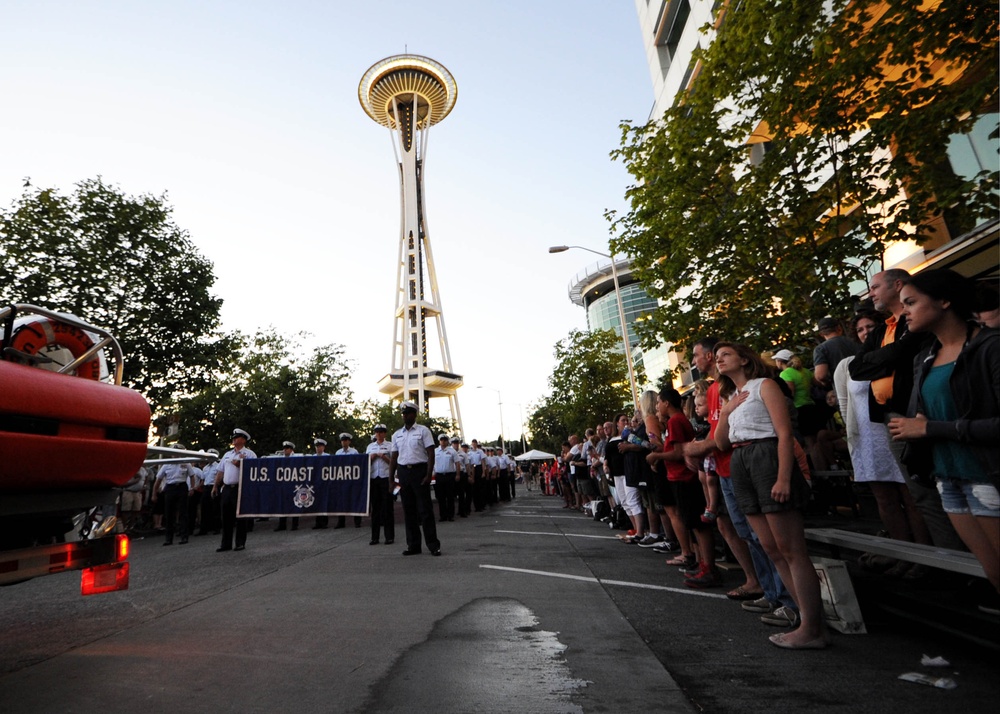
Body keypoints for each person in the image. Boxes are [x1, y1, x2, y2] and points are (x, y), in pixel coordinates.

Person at [888, 269, 1000, 600]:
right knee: (993, 574)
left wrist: (928, 427)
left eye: (911, 302)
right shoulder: (926, 357)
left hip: (988, 477)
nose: (904, 311)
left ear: (945, 301)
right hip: (949, 480)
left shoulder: (990, 346)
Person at [714, 343, 826, 649]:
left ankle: (813, 627)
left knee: (791, 548)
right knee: (770, 547)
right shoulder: (731, 398)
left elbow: (785, 433)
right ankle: (804, 617)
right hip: (740, 460)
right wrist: (725, 412)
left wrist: (783, 477)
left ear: (744, 358)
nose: (719, 359)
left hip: (767, 456)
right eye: (716, 357)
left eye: (725, 354)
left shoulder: (765, 385)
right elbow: (721, 442)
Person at [849, 269, 963, 551]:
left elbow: (904, 353)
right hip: (891, 419)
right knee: (921, 492)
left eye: (875, 286)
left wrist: (887, 357)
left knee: (951, 486)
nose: (870, 293)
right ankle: (949, 562)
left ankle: (966, 562)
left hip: (919, 413)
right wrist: (891, 356)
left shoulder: (917, 325)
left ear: (897, 285)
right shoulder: (880, 330)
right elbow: (857, 368)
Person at [683, 337, 786, 609]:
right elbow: (720, 433)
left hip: (746, 467)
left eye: (696, 355)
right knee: (749, 534)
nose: (695, 361)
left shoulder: (745, 388)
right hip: (731, 468)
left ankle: (781, 596)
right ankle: (767, 589)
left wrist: (693, 449)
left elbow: (724, 440)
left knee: (767, 540)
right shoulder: (725, 389)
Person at [834, 311, 931, 575]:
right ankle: (901, 554)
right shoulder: (846, 365)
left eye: (870, 327)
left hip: (893, 429)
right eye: (861, 329)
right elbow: (844, 403)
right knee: (884, 498)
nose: (865, 332)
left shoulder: (898, 353)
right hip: (865, 437)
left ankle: (924, 557)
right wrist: (851, 435)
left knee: (910, 495)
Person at [389, 401, 440, 556]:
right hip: (404, 472)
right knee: (408, 511)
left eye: (408, 413)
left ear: (414, 414)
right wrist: (391, 480)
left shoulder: (423, 431)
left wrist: (428, 474)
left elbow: (430, 453)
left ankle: (433, 545)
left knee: (425, 511)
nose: (405, 416)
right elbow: (394, 457)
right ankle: (413, 545)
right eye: (403, 414)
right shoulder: (397, 434)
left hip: (419, 471)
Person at [214, 429, 256, 552]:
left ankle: (240, 543)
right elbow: (220, 471)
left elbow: (253, 471)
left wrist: (241, 463)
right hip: (227, 488)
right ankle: (226, 544)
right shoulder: (227, 454)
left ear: (243, 440)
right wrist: (215, 485)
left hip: (240, 487)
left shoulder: (250, 454)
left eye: (236, 437)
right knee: (226, 517)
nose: (233, 439)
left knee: (240, 517)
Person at [772, 349, 822, 446]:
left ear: (780, 361)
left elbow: (790, 394)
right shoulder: (806, 371)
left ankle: (817, 460)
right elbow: (818, 384)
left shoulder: (785, 374)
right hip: (811, 405)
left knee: (809, 442)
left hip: (799, 409)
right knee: (817, 440)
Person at [153, 444, 197, 546]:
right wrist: (154, 493)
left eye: (177, 452)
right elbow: (158, 480)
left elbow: (192, 476)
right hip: (170, 488)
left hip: (181, 487)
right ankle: (169, 538)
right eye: (173, 453)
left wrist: (192, 488)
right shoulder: (166, 464)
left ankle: (184, 536)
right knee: (169, 514)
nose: (175, 455)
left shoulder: (186, 463)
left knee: (183, 513)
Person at [813, 316, 863, 389]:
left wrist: (827, 382)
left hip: (842, 388)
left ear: (821, 334)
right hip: (864, 381)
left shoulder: (821, 349)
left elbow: (821, 375)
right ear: (839, 328)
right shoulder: (855, 341)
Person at [366, 425, 394, 545]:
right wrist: (371, 458)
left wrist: (384, 457)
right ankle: (375, 537)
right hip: (374, 478)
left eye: (381, 432)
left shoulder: (390, 445)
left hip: (385, 477)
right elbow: (365, 463)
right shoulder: (370, 446)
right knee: (375, 508)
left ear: (385, 433)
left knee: (387, 508)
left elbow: (394, 462)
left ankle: (389, 536)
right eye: (377, 432)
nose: (379, 434)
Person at [334, 433, 363, 529]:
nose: (344, 442)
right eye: (343, 440)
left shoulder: (354, 452)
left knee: (354, 499)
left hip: (352, 478)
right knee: (340, 500)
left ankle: (357, 521)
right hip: (342, 479)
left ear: (349, 441)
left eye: (346, 440)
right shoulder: (338, 452)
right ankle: (341, 522)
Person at [275, 441, 300, 532]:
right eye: (284, 449)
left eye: (287, 449)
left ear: (291, 449)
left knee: (295, 504)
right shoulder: (280, 459)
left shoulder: (296, 458)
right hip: (283, 485)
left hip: (294, 484)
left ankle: (295, 525)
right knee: (282, 505)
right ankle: (282, 525)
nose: (284, 450)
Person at [196, 448, 221, 536]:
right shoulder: (205, 468)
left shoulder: (218, 466)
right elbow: (203, 479)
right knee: (204, 508)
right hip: (206, 488)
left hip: (214, 487)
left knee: (215, 508)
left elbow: (219, 478)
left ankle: (216, 528)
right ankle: (204, 529)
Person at [433, 434, 459, 522]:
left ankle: (450, 515)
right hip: (439, 476)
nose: (443, 442)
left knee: (450, 496)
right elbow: (431, 463)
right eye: (441, 440)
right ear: (439, 441)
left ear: (447, 441)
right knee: (441, 497)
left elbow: (457, 463)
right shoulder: (435, 451)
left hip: (449, 475)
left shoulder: (452, 451)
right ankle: (443, 515)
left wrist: (458, 474)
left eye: (445, 440)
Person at [120, 466, 147, 532]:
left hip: (137, 492)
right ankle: (124, 527)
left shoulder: (143, 469)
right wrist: (136, 480)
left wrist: (143, 485)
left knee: (136, 510)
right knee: (126, 510)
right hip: (128, 491)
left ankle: (130, 527)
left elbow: (146, 477)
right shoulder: (130, 468)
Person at [312, 438, 331, 529]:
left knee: (324, 502)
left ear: (323, 447)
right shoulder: (313, 457)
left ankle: (324, 523)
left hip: (324, 483)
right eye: (317, 446)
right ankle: (317, 523)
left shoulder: (327, 456)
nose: (318, 448)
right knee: (317, 503)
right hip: (315, 483)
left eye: (319, 446)